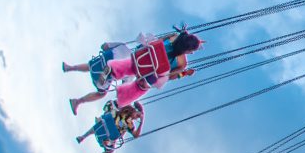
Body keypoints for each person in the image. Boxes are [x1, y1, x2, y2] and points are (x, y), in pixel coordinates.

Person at [64, 30, 203, 111]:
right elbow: (169, 76)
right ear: (189, 51)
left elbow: (156, 41)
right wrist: (184, 74)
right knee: (138, 89)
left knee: (120, 65)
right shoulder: (182, 63)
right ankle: (114, 100)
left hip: (139, 56)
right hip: (144, 73)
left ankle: (73, 68)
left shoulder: (173, 36)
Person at [77, 101, 142, 153]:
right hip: (107, 138)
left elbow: (107, 107)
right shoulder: (130, 124)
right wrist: (141, 122)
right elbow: (136, 135)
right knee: (111, 149)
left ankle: (82, 137)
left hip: (101, 128)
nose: (136, 118)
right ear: (134, 111)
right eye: (137, 116)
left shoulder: (120, 108)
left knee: (102, 123)